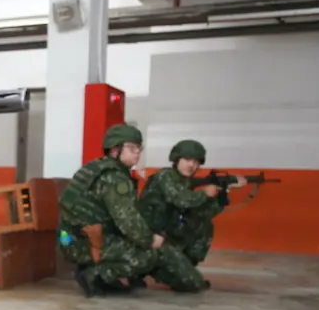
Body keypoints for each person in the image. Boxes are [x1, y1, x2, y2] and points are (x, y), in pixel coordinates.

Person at [57, 123, 208, 297]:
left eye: (139, 148)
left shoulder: (96, 168)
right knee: (148, 255)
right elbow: (127, 220)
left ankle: (106, 270)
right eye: (131, 148)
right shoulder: (115, 178)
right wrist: (150, 239)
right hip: (81, 242)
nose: (137, 152)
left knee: (143, 248)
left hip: (67, 237)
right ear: (115, 150)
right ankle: (94, 275)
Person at [137, 139, 246, 268]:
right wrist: (205, 192)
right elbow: (180, 199)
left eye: (196, 162)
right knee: (188, 283)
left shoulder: (184, 181)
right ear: (176, 159)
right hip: (149, 234)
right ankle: (147, 267)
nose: (191, 165)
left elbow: (203, 213)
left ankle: (185, 265)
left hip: (166, 231)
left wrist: (222, 195)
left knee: (204, 224)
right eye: (187, 159)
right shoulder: (165, 175)